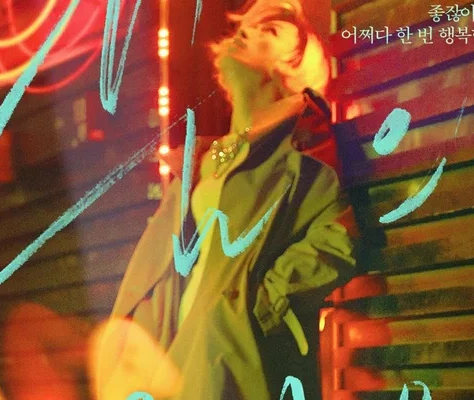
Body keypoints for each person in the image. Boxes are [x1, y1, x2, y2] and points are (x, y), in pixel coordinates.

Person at [108, 0, 358, 398]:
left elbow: (339, 239)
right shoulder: (204, 159)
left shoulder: (301, 154)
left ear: (291, 69)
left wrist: (260, 304)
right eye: (248, 27)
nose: (248, 33)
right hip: (167, 362)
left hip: (226, 362)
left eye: (269, 32)